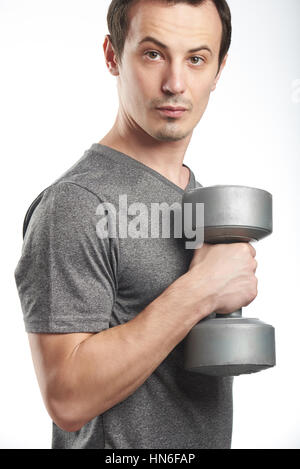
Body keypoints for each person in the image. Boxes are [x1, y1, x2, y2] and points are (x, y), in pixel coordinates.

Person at [14, 0, 258, 449]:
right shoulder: (77, 204)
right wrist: (201, 288)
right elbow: (67, 399)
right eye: (153, 54)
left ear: (219, 70)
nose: (175, 84)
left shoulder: (197, 196)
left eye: (196, 59)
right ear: (112, 56)